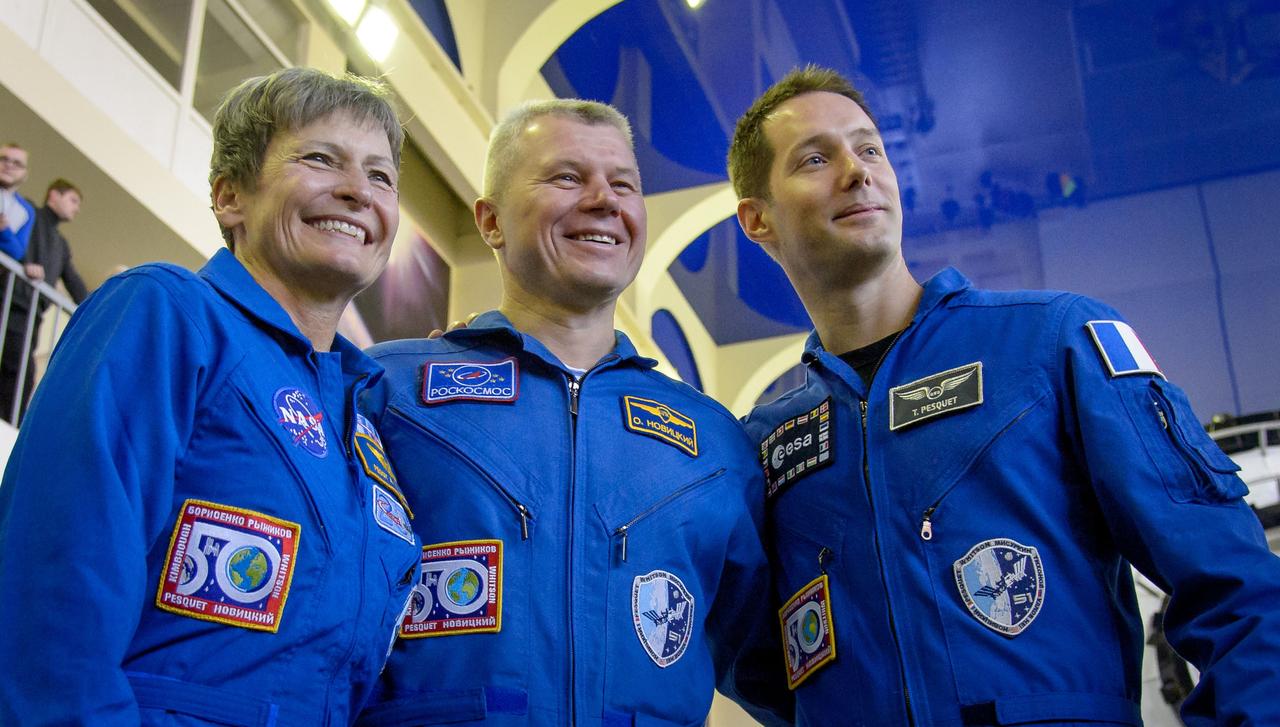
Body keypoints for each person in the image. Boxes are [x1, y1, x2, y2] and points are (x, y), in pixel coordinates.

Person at [729, 66, 1280, 726]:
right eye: (816, 158)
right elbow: (764, 671)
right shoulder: (761, 449)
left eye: (870, 148)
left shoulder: (1053, 342)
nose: (857, 171)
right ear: (757, 219)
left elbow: (1238, 590)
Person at [0, 67, 420, 724]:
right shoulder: (167, 314)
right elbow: (52, 596)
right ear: (230, 197)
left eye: (380, 176)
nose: (356, 191)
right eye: (320, 159)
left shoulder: (364, 419)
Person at [357, 100, 773, 727]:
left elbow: (774, 666)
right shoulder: (385, 392)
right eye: (566, 177)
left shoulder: (716, 445)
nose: (604, 200)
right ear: (491, 221)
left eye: (624, 184)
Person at [0, 178, 91, 423]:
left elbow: (73, 281)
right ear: (54, 195)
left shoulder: (61, 245)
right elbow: (11, 243)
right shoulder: (28, 214)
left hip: (31, 315)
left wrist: (96, 307)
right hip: (8, 299)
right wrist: (25, 265)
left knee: (21, 374)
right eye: (72, 200)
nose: (76, 208)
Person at [0, 142, 34, 261]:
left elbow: (18, 252)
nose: (9, 165)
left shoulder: (26, 211)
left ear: (25, 174)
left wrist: (4, 230)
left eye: (17, 163)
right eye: (3, 159)